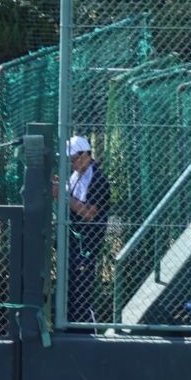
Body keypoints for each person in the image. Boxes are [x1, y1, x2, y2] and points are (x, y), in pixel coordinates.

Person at [63, 134, 110, 322]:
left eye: (73, 159)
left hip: (87, 244)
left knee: (82, 292)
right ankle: (70, 324)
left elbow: (90, 214)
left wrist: (64, 198)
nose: (72, 163)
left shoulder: (99, 179)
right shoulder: (76, 176)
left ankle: (86, 328)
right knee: (71, 290)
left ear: (85, 155)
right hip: (74, 242)